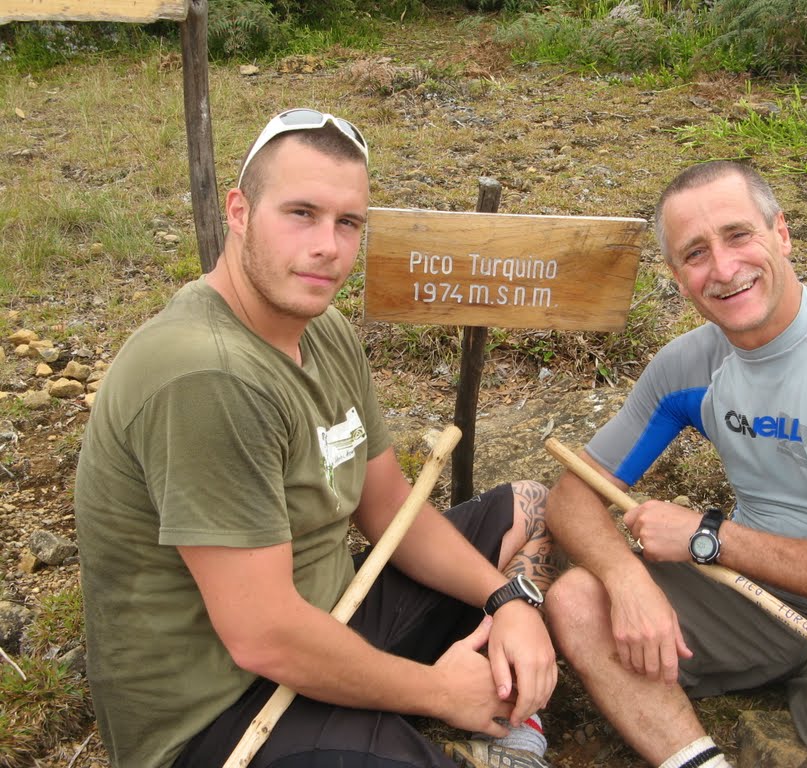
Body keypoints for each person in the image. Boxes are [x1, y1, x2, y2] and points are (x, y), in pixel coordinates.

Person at [74, 108, 559, 768]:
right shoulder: (206, 375)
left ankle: (493, 713)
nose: (328, 246)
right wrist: (440, 693)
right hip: (227, 711)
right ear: (240, 211)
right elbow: (264, 637)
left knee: (530, 509)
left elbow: (388, 507)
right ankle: (454, 723)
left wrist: (509, 601)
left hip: (337, 615)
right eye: (300, 213)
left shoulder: (321, 328)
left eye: (348, 222)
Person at [544, 161, 807, 768]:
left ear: (782, 235)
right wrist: (627, 577)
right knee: (578, 601)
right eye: (695, 253)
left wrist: (706, 539)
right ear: (677, 276)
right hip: (750, 595)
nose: (722, 268)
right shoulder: (684, 367)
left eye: (738, 235)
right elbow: (572, 495)